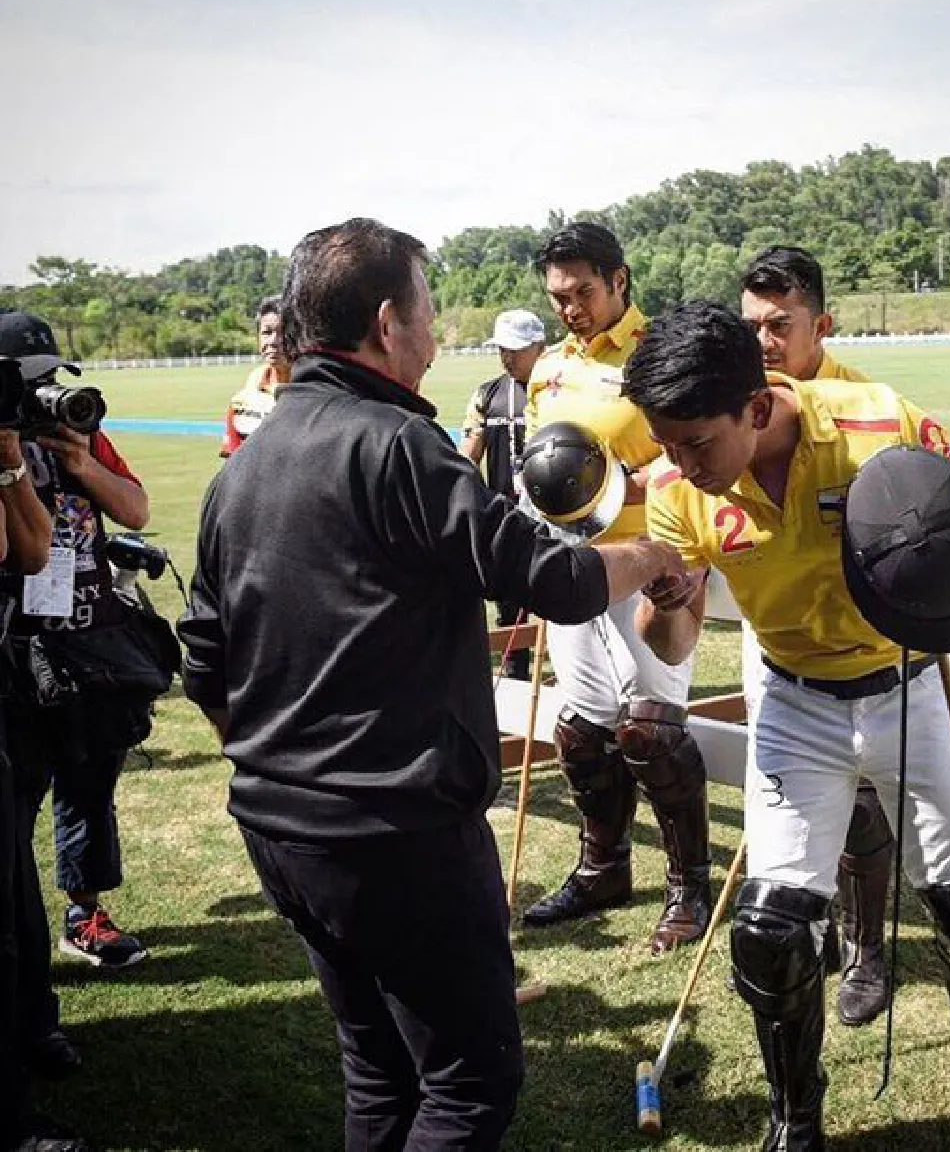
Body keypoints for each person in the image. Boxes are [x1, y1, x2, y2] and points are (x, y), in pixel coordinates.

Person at [177, 217, 688, 1152]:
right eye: (427, 310)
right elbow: (556, 580)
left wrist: (285, 769)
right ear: (386, 323)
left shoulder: (244, 467)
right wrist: (652, 554)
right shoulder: (399, 446)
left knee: (379, 1070)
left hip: (277, 828)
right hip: (395, 835)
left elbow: (203, 662)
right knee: (467, 1086)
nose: (437, 335)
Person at [625, 301, 950, 1150]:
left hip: (909, 686)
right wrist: (667, 603)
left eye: (696, 443)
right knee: (770, 933)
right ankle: (796, 1121)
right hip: (794, 703)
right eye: (664, 444)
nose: (679, 465)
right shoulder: (674, 490)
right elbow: (671, 641)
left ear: (755, 406)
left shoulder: (882, 424)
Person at [521, 222, 711, 956]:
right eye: (558, 297)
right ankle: (603, 870)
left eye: (583, 293)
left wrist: (619, 483)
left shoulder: (659, 352)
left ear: (620, 281)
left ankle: (689, 889)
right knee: (582, 729)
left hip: (651, 557)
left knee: (651, 732)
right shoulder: (547, 369)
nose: (571, 308)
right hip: (574, 566)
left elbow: (693, 448)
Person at [740, 246, 894, 1027]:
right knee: (793, 800)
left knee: (861, 801)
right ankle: (811, 929)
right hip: (773, 638)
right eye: (751, 326)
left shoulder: (868, 403)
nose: (763, 342)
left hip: (860, 643)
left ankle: (867, 947)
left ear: (821, 324)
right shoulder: (737, 403)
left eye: (779, 325)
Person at [0, 311, 152, 987]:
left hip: (92, 645)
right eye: (34, 383)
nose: (49, 395)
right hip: (22, 653)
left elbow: (137, 511)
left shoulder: (81, 435)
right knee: (19, 800)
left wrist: (84, 464)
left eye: (54, 379)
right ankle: (19, 932)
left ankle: (85, 914)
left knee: (89, 787)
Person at [0, 311, 91, 1151]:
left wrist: (17, 459)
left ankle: (34, 1025)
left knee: (15, 886)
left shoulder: (29, 448)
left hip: (27, 679)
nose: (38, 399)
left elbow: (31, 554)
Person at [459, 308, 546, 681]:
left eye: (516, 350)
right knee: (508, 600)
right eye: (502, 350)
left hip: (552, 514)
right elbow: (469, 453)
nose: (507, 358)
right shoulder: (487, 394)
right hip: (505, 513)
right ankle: (515, 672)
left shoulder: (557, 391)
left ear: (539, 347)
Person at [219, 295, 292, 457]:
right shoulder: (242, 403)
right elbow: (231, 462)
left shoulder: (318, 393)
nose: (273, 341)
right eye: (267, 332)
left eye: (283, 333)